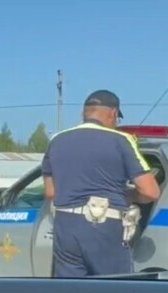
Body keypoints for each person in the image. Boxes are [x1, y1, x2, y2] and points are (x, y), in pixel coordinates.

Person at [42, 89, 161, 277]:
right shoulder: (121, 140)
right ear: (113, 113)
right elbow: (150, 191)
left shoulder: (56, 140)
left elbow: (50, 193)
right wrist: (127, 195)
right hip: (104, 227)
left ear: (84, 113)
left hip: (65, 228)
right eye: (117, 119)